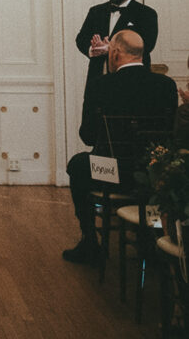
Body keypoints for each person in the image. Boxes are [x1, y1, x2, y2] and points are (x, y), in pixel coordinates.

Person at [63, 30, 178, 265]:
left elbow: (87, 135)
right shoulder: (166, 85)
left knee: (77, 164)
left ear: (114, 54)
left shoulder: (101, 86)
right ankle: (153, 236)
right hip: (151, 175)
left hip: (112, 173)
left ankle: (90, 241)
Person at [76, 0, 158, 90]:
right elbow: (81, 39)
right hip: (97, 80)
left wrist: (110, 48)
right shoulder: (96, 11)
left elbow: (148, 45)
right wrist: (93, 49)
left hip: (132, 84)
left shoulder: (146, 13)